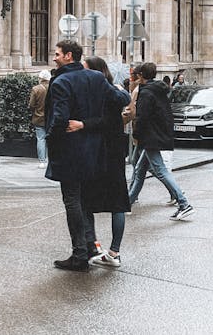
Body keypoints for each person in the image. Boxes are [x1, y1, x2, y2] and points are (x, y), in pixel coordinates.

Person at [45, 40, 130, 273]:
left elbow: (59, 118)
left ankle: (79, 254)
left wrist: (50, 140)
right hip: (94, 151)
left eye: (57, 54)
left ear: (68, 56)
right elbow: (122, 100)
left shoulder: (61, 81)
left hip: (70, 151)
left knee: (72, 201)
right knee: (84, 201)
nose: (54, 58)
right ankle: (90, 248)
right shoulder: (96, 77)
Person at [67, 56, 130, 268]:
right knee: (113, 202)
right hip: (111, 153)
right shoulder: (114, 91)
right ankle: (107, 250)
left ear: (95, 72)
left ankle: (102, 248)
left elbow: (106, 122)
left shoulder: (104, 94)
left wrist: (82, 124)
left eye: (86, 70)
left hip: (102, 154)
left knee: (88, 200)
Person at [128, 62, 194, 220]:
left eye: (136, 75)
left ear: (141, 75)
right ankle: (127, 202)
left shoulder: (147, 92)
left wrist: (136, 134)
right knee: (139, 170)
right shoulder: (158, 89)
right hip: (155, 135)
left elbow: (142, 117)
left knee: (160, 170)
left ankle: (184, 203)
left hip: (151, 136)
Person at [29, 69, 51, 167]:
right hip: (51, 117)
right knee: (51, 139)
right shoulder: (54, 87)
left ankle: (42, 161)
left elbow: (31, 104)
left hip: (39, 117)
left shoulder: (36, 89)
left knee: (41, 139)